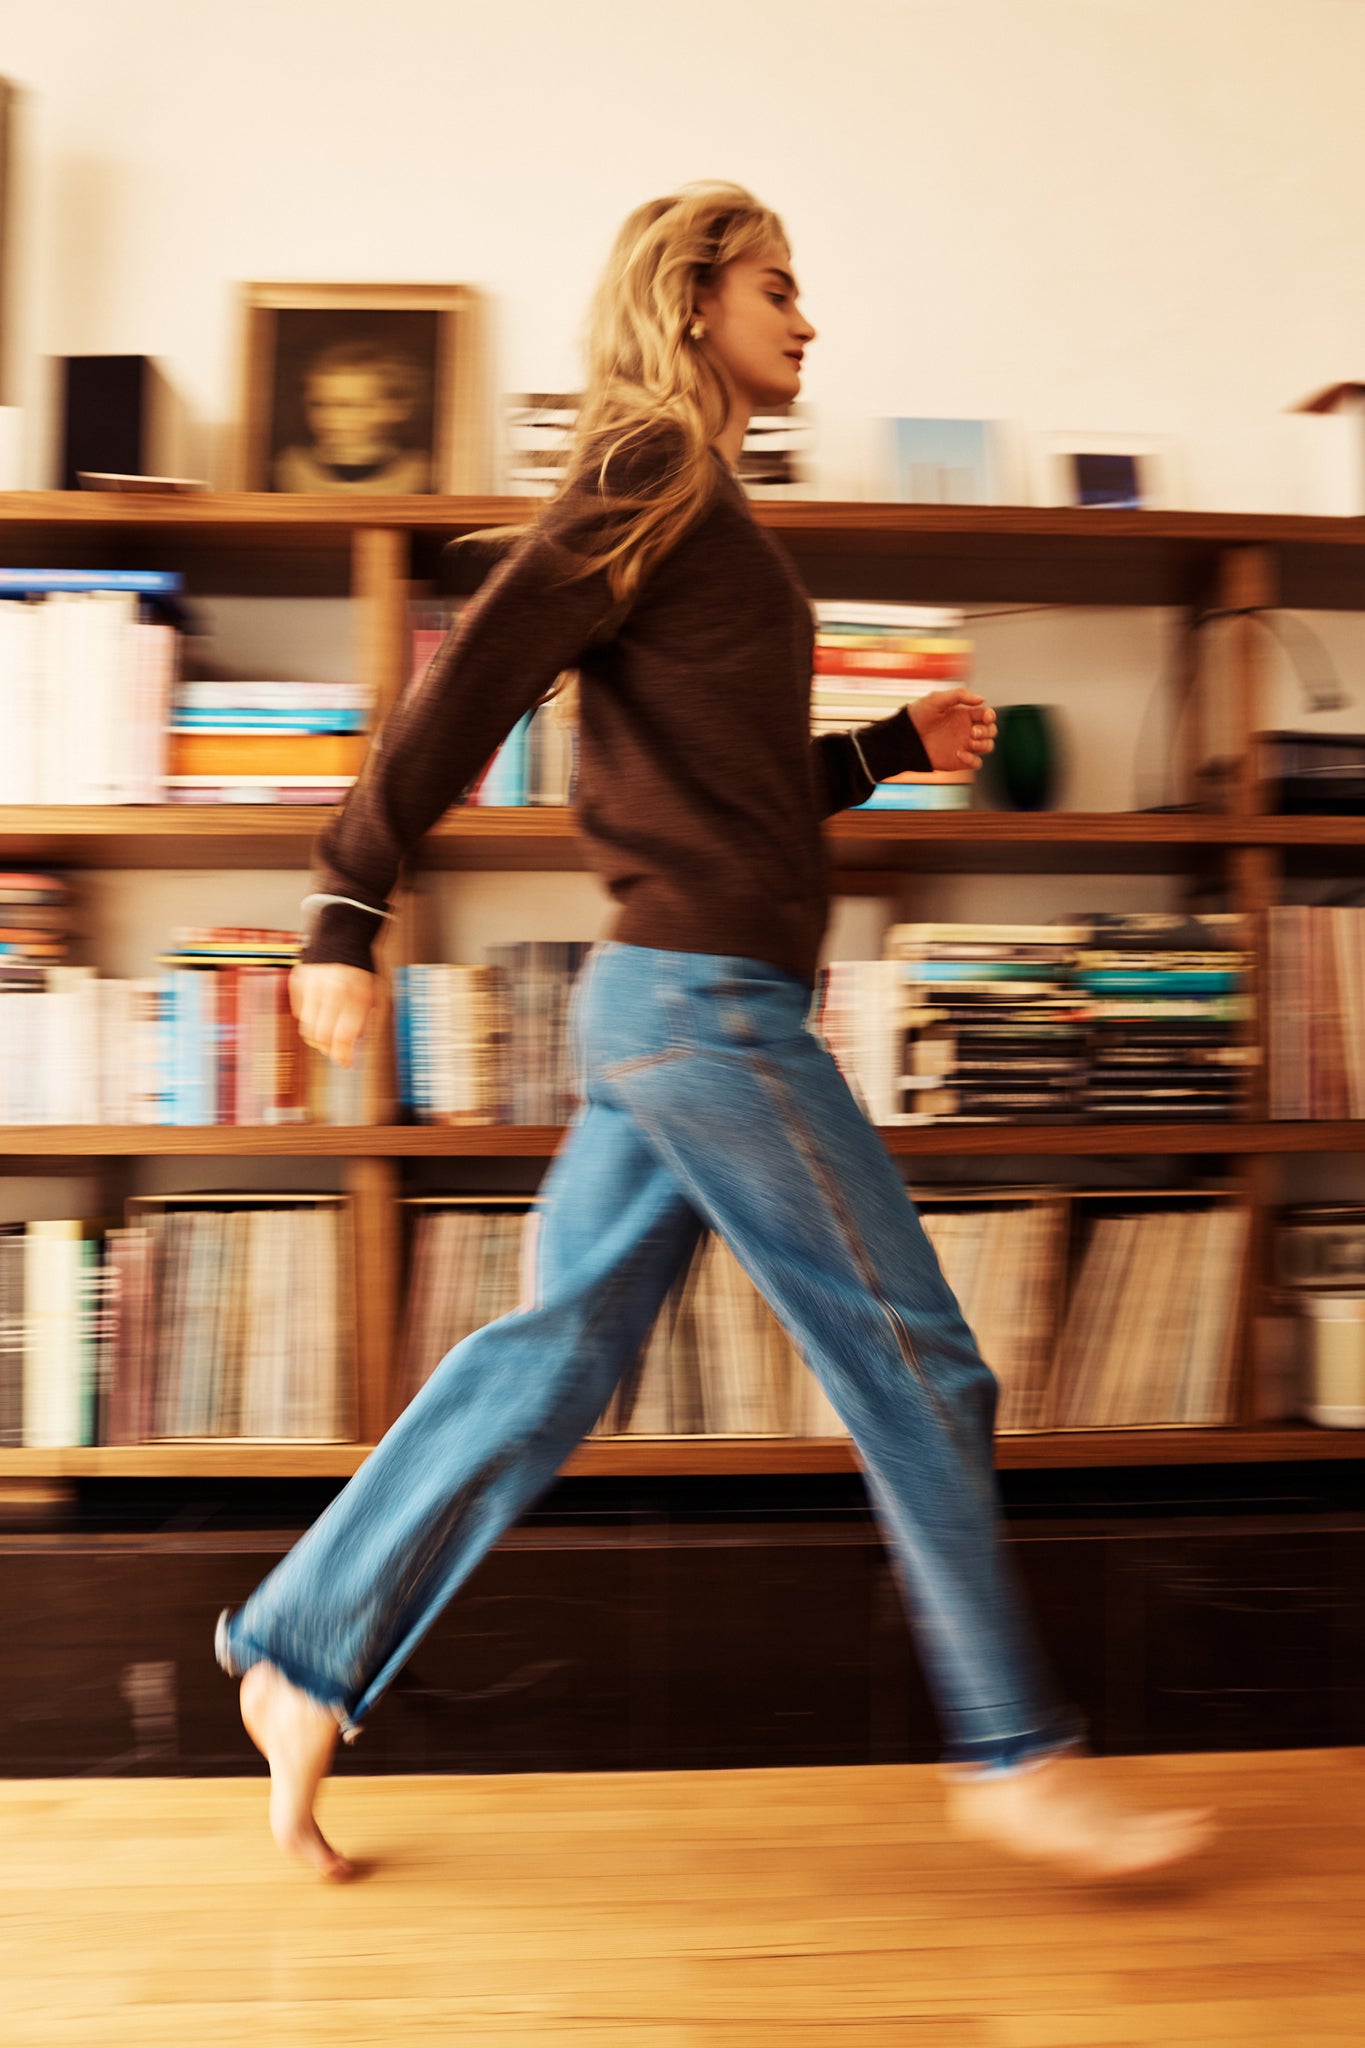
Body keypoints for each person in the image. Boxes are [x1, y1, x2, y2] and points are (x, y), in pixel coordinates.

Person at [218, 182, 1214, 1883]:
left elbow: (724, 795)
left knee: (553, 1356)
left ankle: (302, 1652)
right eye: (776, 286)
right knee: (923, 1361)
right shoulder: (649, 466)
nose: (807, 318)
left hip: (672, 998)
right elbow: (472, 682)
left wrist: (882, 749)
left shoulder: (702, 505)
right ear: (691, 299)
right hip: (701, 1003)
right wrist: (346, 901)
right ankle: (1014, 1753)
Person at [272, 338, 433, 494]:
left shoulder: (419, 472)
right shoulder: (291, 468)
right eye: (318, 404)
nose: (328, 416)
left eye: (347, 405)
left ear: (396, 409)